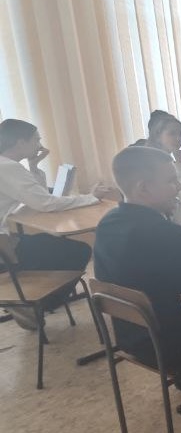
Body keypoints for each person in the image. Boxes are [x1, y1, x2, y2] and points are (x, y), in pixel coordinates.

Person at [94, 146, 181, 369]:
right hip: (177, 345)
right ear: (144, 188)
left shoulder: (108, 223)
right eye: (171, 181)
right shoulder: (163, 232)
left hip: (134, 338)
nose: (179, 187)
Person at [0, 118, 109, 328]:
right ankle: (36, 305)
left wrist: (34, 166)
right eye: (36, 140)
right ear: (20, 142)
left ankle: (27, 298)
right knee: (78, 250)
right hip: (3, 250)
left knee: (47, 243)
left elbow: (38, 196)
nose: (40, 145)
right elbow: (45, 203)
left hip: (5, 244)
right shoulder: (8, 168)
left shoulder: (7, 165)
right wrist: (91, 197)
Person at [143, 111, 181, 231]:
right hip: (175, 227)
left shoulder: (166, 158)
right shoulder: (155, 162)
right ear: (158, 136)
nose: (178, 138)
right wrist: (180, 163)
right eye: (172, 134)